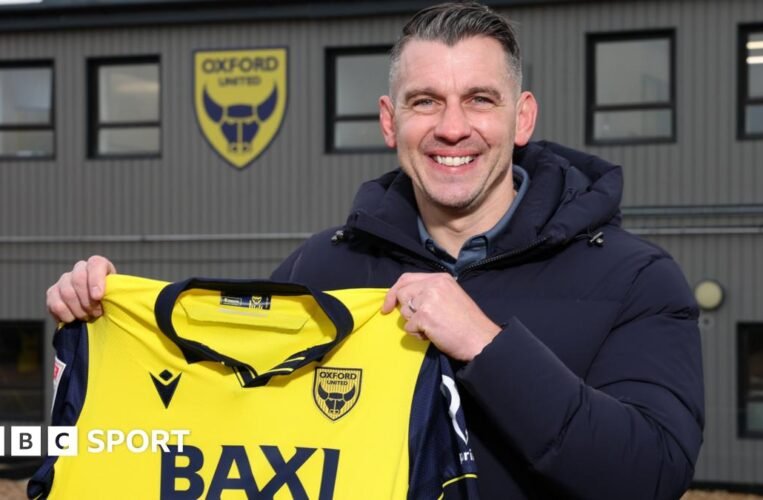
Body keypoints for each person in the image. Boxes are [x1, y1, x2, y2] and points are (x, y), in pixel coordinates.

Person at [46, 2, 704, 499]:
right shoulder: (319, 269)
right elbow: (223, 424)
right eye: (425, 102)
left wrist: (486, 345)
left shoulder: (636, 278)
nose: (452, 127)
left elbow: (650, 474)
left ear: (522, 117)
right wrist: (108, 330)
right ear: (391, 121)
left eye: (479, 100)